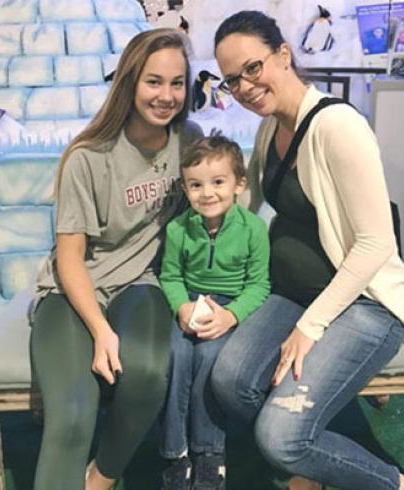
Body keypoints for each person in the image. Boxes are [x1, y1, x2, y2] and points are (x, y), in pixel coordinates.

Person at [211, 11, 404, 490]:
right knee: (229, 380)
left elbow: (375, 243)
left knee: (279, 435)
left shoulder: (337, 126)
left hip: (365, 304)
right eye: (231, 80)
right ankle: (309, 466)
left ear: (283, 54)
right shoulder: (271, 126)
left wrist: (310, 326)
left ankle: (399, 484)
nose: (244, 87)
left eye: (252, 68)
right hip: (295, 291)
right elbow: (245, 206)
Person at [27, 28, 203, 490]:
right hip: (73, 289)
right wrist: (100, 330)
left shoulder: (189, 140)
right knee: (71, 414)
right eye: (154, 81)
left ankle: (101, 477)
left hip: (142, 282)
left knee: (146, 374)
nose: (167, 96)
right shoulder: (88, 156)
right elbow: (70, 259)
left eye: (177, 83)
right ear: (129, 81)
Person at [158, 133, 270, 490]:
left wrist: (231, 315)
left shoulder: (254, 228)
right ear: (185, 188)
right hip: (190, 302)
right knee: (176, 354)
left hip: (230, 306)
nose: (207, 193)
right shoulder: (178, 229)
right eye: (196, 185)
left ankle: (209, 453)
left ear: (239, 184)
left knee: (208, 356)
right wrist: (181, 306)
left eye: (218, 182)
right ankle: (175, 452)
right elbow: (170, 276)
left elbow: (259, 286)